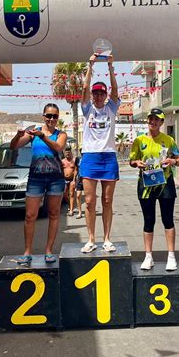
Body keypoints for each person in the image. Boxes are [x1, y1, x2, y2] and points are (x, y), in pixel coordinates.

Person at [10, 103, 67, 264]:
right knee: (30, 215)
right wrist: (18, 135)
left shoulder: (60, 134)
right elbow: (14, 146)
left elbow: (58, 147)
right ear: (43, 116)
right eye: (48, 116)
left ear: (57, 118)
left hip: (55, 178)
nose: (51, 119)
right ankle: (27, 251)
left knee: (54, 214)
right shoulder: (33, 133)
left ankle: (49, 250)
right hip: (36, 178)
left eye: (54, 116)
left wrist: (43, 136)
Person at [129, 108, 179, 271]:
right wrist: (136, 163)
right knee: (148, 220)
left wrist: (172, 162)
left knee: (168, 219)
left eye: (156, 119)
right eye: (150, 119)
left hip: (165, 182)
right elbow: (132, 160)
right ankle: (148, 256)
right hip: (146, 184)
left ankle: (171, 256)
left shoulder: (169, 140)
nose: (152, 122)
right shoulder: (139, 141)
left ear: (161, 122)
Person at [79, 54, 120, 253]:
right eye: (95, 94)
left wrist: (111, 67)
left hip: (108, 157)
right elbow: (84, 89)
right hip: (90, 157)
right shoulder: (87, 110)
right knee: (89, 201)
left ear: (105, 95)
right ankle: (91, 239)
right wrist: (91, 65)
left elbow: (115, 91)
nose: (97, 96)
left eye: (100, 94)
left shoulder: (111, 108)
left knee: (107, 200)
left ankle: (107, 238)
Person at [63, 147, 78, 216]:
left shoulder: (74, 160)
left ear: (71, 153)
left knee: (71, 194)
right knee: (65, 194)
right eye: (66, 153)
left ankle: (71, 210)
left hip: (72, 179)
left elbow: (76, 170)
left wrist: (74, 180)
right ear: (65, 154)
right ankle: (70, 204)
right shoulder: (62, 161)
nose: (68, 154)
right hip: (64, 180)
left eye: (69, 153)